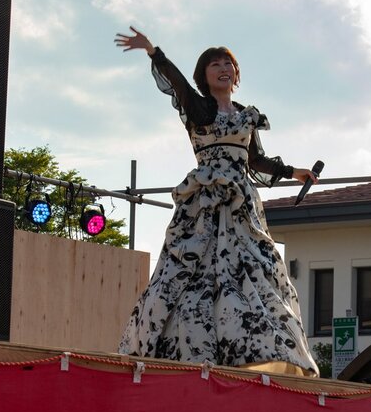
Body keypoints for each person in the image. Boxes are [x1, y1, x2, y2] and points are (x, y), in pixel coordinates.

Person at [115, 26, 320, 377]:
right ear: (204, 75)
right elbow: (177, 82)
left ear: (236, 73)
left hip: (240, 206)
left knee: (256, 271)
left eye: (228, 63)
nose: (223, 68)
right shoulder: (199, 108)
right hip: (205, 202)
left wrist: (293, 172)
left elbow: (256, 160)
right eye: (215, 64)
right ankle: (185, 344)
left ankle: (254, 346)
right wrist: (154, 51)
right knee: (191, 270)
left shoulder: (246, 115)